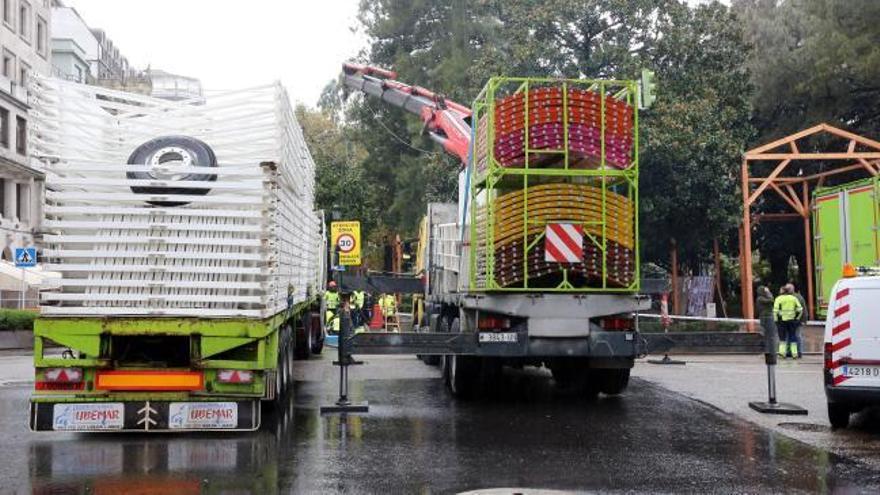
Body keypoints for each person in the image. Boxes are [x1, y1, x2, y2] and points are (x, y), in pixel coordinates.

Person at [773, 284, 803, 358]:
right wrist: (797, 319)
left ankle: (782, 353)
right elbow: (800, 309)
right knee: (793, 337)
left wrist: (776, 320)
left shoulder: (778, 299)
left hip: (782, 321)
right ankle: (795, 354)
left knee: (782, 338)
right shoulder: (793, 298)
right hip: (792, 321)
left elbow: (775, 311)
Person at [756, 285, 777, 357]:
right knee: (770, 335)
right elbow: (771, 300)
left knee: (768, 335)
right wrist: (768, 292)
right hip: (767, 318)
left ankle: (768, 351)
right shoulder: (761, 299)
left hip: (765, 317)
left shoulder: (760, 298)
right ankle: (770, 351)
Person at [790, 282, 808, 359]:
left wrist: (804, 319)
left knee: (796, 336)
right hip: (792, 320)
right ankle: (795, 352)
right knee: (795, 336)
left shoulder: (797, 297)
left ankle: (798, 352)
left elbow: (803, 309)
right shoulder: (797, 297)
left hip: (795, 320)